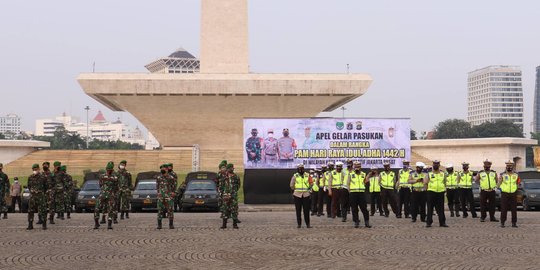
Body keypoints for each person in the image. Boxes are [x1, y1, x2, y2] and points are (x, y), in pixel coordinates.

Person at [94, 162, 118, 230]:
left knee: (97, 208)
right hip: (110, 195)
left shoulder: (101, 176)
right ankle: (109, 225)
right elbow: (116, 188)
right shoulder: (115, 177)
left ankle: (96, 223)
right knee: (110, 209)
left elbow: (100, 185)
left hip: (102, 194)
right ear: (112, 170)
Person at [346, 161, 371, 228]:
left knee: (364, 208)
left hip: (361, 193)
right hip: (353, 193)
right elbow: (348, 184)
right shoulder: (350, 174)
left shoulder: (363, 174)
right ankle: (356, 222)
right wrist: (349, 192)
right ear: (353, 166)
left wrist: (368, 178)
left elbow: (365, 182)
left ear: (360, 167)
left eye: (358, 166)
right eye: (356, 166)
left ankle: (367, 222)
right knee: (354, 209)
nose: (357, 167)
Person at [425, 160, 448, 227]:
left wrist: (445, 190)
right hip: (431, 192)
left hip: (440, 192)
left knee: (441, 208)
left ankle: (442, 222)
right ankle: (428, 222)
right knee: (430, 208)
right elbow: (425, 183)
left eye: (437, 164)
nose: (435, 165)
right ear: (432, 165)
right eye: (434, 164)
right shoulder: (429, 174)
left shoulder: (443, 174)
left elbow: (445, 182)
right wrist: (427, 191)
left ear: (439, 165)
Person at [498, 161, 520, 228]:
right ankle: (502, 222)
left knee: (514, 209)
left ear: (512, 167)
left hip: (513, 193)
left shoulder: (516, 174)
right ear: (506, 166)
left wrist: (516, 189)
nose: (509, 167)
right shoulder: (502, 174)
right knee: (504, 209)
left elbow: (518, 183)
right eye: (508, 166)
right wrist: (501, 189)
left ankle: (514, 223)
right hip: (505, 193)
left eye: (510, 166)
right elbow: (499, 184)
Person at [218, 164, 240, 229]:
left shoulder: (236, 176)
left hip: (233, 196)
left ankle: (235, 224)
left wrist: (234, 191)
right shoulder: (224, 176)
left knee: (234, 209)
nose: (233, 169)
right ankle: (224, 225)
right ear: (228, 168)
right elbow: (221, 186)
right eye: (231, 168)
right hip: (225, 196)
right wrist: (223, 193)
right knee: (225, 209)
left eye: (233, 168)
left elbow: (238, 185)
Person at [290, 164, 312, 228]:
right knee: (298, 210)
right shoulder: (295, 176)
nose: (301, 170)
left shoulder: (307, 175)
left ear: (303, 169)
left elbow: (311, 183)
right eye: (299, 169)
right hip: (297, 195)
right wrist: (296, 189)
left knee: (306, 210)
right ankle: (299, 224)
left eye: (302, 168)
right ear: (297, 169)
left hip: (306, 194)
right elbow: (291, 185)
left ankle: (308, 224)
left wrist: (309, 189)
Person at [27, 164, 48, 230]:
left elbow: (46, 186)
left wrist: (41, 192)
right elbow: (29, 186)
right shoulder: (30, 177)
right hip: (33, 196)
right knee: (30, 210)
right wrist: (33, 191)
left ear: (39, 169)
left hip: (40, 195)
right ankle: (30, 225)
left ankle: (44, 224)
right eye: (34, 169)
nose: (35, 170)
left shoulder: (43, 177)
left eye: (36, 169)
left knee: (43, 210)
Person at [156, 164, 176, 229]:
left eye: (164, 169)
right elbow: (157, 186)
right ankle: (159, 225)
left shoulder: (171, 178)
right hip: (161, 196)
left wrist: (173, 193)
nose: (162, 170)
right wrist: (158, 193)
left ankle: (171, 224)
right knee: (160, 210)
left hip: (168, 196)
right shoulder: (159, 178)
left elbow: (174, 186)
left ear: (167, 169)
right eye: (161, 169)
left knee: (170, 210)